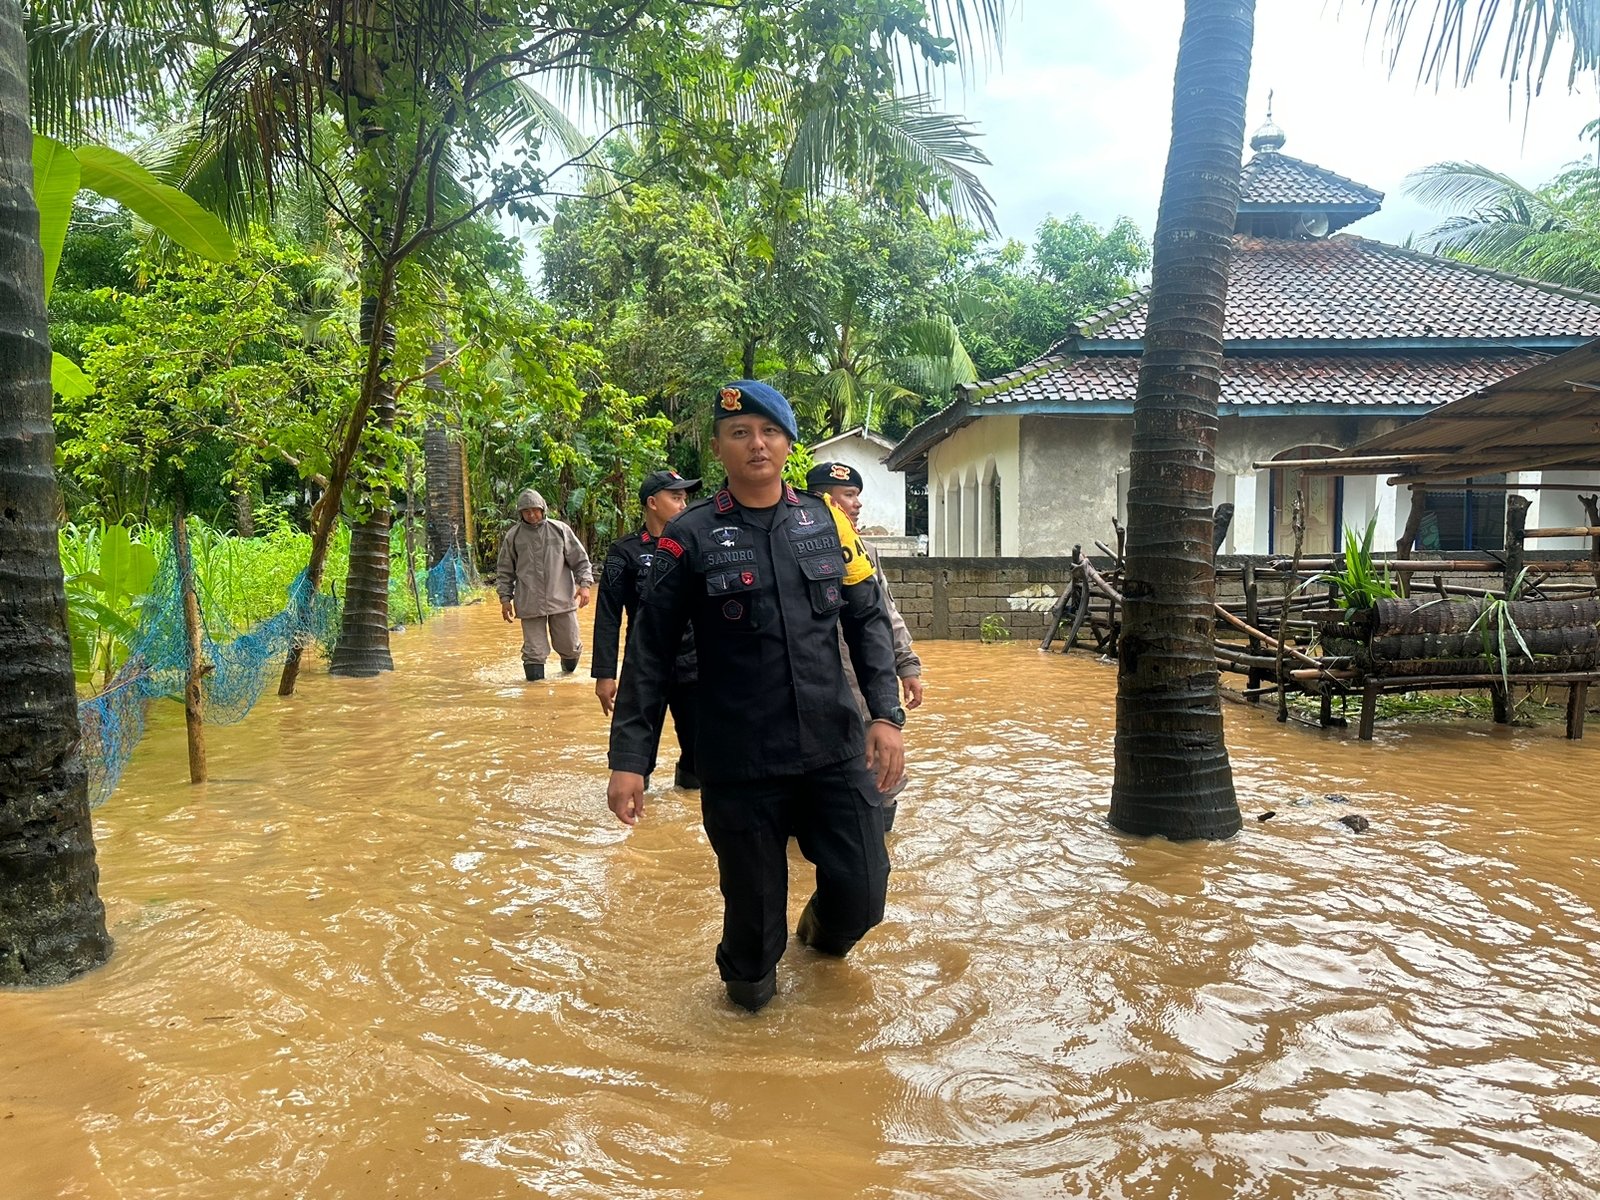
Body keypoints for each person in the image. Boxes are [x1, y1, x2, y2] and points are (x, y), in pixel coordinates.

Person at [605, 380, 906, 1013]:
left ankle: (819, 943)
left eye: (769, 432)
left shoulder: (827, 524)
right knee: (753, 923)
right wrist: (632, 760)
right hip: (741, 759)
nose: (757, 444)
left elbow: (866, 620)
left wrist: (885, 714)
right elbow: (650, 653)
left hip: (834, 746)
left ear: (789, 444)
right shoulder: (687, 539)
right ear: (719, 448)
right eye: (740, 433)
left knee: (864, 889)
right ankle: (746, 1010)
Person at [804, 461, 923, 831]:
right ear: (824, 499)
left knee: (880, 766)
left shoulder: (864, 551)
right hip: (815, 684)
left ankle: (877, 840)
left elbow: (885, 614)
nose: (856, 505)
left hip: (864, 679)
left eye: (857, 496)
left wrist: (907, 665)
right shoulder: (795, 548)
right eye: (848, 496)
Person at [592, 469, 703, 790]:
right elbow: (608, 616)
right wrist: (605, 675)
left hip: (694, 666)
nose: (684, 504)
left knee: (699, 760)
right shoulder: (623, 552)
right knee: (636, 761)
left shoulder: (696, 546)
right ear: (653, 503)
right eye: (676, 497)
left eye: (685, 498)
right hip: (645, 668)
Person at [495, 487, 594, 682]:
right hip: (529, 602)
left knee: (570, 647)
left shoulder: (560, 530)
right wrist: (505, 599)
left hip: (562, 600)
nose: (531, 514)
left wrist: (585, 585)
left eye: (535, 510)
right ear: (520, 513)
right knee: (534, 652)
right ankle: (534, 701)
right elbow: (504, 571)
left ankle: (567, 685)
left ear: (543, 509)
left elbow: (581, 560)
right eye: (526, 511)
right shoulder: (513, 536)